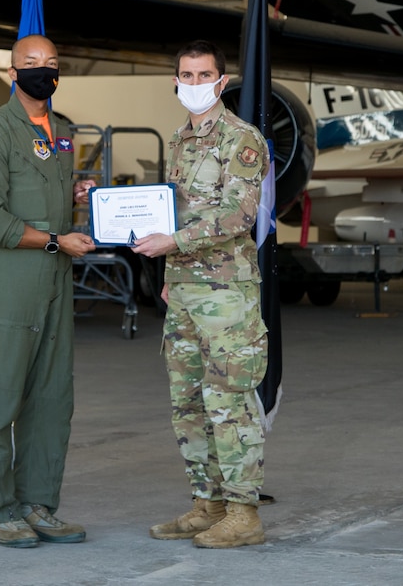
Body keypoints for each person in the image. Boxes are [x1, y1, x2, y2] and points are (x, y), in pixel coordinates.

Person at [132, 40, 270, 549]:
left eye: (203, 75)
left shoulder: (242, 139)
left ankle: (243, 512)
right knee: (187, 401)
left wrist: (176, 242)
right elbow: (174, 209)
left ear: (222, 81)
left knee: (228, 400)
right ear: (175, 81)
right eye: (185, 75)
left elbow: (240, 215)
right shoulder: (179, 140)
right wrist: (169, 265)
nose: (193, 84)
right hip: (186, 290)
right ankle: (208, 504)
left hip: (227, 293)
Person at [0, 34, 96, 548]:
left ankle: (38, 503)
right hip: (10, 279)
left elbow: (47, 196)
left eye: (52, 63)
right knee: (0, 397)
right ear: (13, 72)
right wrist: (56, 240)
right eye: (31, 63)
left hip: (55, 278)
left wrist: (76, 194)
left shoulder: (61, 131)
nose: (43, 70)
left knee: (51, 396)